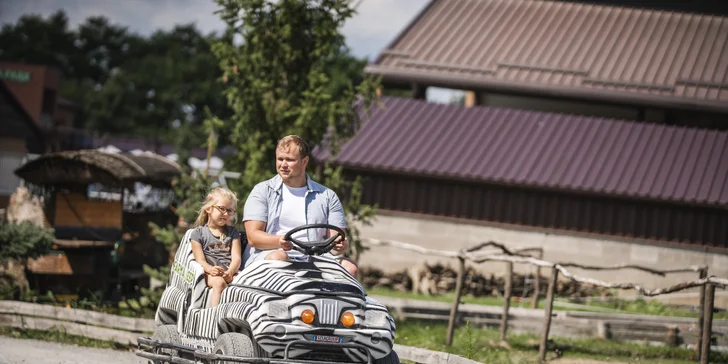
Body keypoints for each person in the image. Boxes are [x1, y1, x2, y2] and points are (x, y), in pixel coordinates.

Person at [243, 135, 358, 276]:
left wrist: (340, 246)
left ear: (305, 161)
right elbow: (253, 237)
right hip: (271, 253)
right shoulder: (262, 191)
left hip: (315, 258)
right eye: (280, 159)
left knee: (350, 268)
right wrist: (280, 241)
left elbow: (335, 240)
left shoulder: (328, 196)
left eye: (290, 160)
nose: (283, 164)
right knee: (280, 258)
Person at [190, 187, 243, 306]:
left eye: (229, 211)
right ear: (208, 208)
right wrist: (210, 269)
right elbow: (200, 260)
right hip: (208, 275)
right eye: (222, 209)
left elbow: (236, 258)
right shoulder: (198, 233)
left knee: (245, 284)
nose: (225, 213)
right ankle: (214, 318)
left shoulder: (233, 233)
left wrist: (230, 272)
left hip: (230, 273)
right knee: (219, 283)